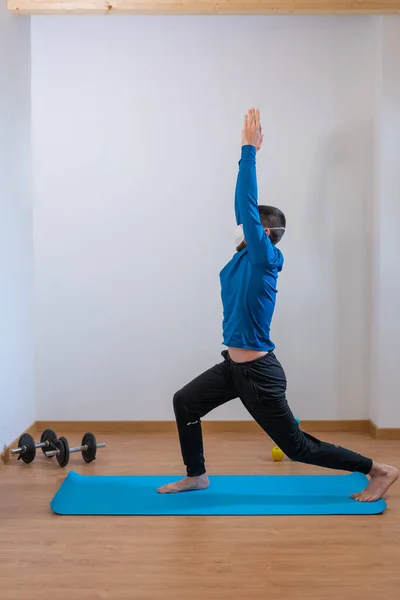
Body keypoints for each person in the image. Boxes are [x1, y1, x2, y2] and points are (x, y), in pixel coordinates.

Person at [158, 108, 398, 502]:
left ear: (264, 232)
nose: (240, 224)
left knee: (297, 447)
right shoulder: (240, 258)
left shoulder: (264, 258)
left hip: (258, 374)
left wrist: (248, 150)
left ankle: (378, 469)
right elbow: (242, 208)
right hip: (234, 368)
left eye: (250, 224)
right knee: (185, 401)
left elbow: (247, 207)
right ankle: (196, 474)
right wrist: (243, 158)